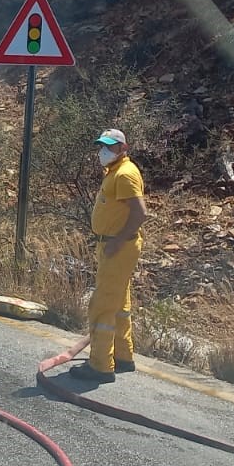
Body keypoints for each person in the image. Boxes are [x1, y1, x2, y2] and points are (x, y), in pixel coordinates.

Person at [69, 128, 149, 384]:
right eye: (102, 146)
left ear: (123, 148)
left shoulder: (125, 174)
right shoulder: (115, 172)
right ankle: (123, 356)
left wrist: (117, 241)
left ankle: (100, 366)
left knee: (102, 305)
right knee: (119, 304)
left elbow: (140, 213)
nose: (104, 151)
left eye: (110, 146)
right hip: (115, 246)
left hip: (118, 247)